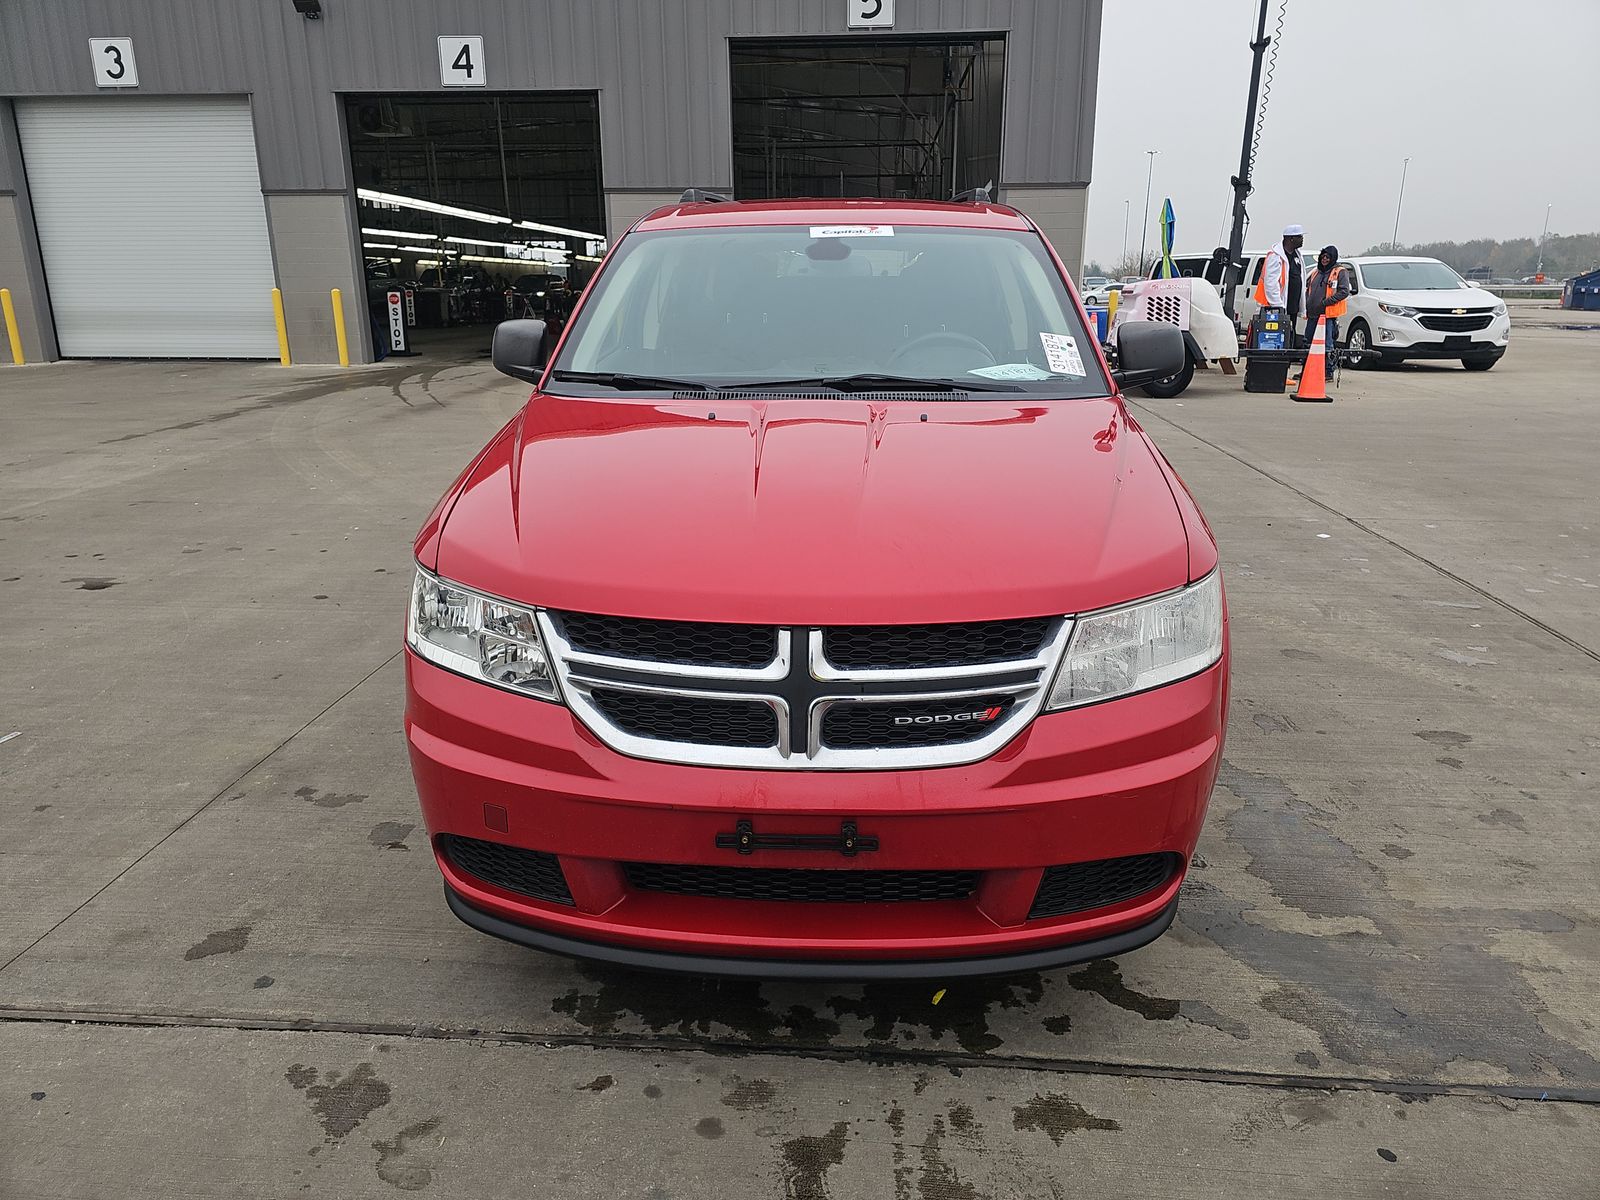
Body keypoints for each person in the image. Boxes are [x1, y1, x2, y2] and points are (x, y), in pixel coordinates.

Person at [1304, 245, 1350, 381]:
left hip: (1327, 315)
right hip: (1312, 314)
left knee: (1327, 345)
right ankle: (1308, 370)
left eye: (1327, 257)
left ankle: (1328, 371)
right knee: (1309, 343)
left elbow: (1344, 291)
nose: (1324, 259)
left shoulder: (1340, 272)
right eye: (1323, 257)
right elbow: (1308, 290)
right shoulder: (1315, 272)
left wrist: (1326, 302)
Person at [1255, 223, 1305, 337]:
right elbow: (1271, 283)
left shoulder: (1297, 255)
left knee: (1290, 335)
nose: (1302, 239)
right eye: (1300, 237)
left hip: (1292, 305)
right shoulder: (1276, 256)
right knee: (1278, 337)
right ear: (1291, 238)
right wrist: (1278, 305)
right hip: (1276, 307)